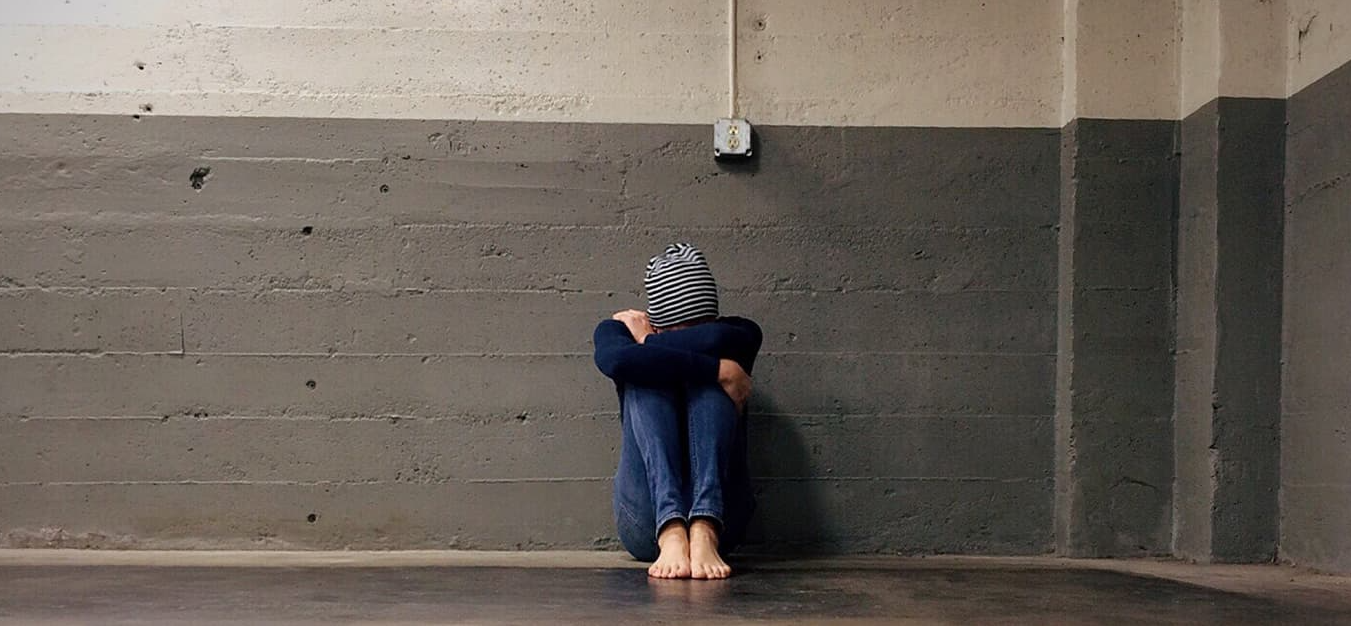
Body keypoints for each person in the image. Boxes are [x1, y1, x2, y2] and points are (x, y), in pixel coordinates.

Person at [592, 243, 763, 580]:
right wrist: (717, 367)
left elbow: (716, 338)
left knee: (709, 380)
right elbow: (618, 360)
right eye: (681, 331)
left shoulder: (738, 334)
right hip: (646, 523)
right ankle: (671, 528)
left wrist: (651, 344)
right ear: (657, 322)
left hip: (724, 521)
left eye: (702, 329)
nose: (697, 337)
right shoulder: (617, 335)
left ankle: (703, 525)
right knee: (647, 376)